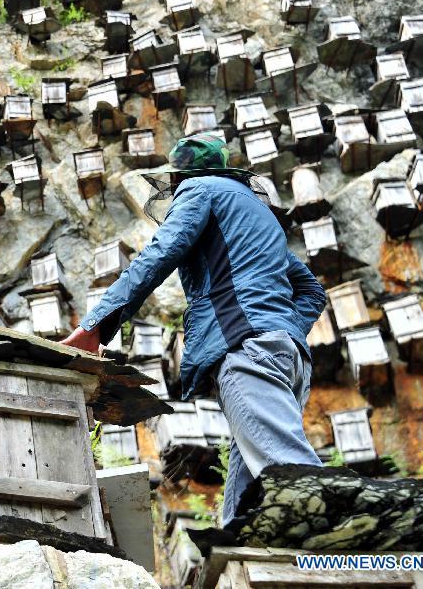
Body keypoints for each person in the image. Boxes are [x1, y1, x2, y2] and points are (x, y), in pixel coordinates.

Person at [60, 133, 326, 525]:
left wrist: (95, 326)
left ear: (183, 175)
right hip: (287, 360)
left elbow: (161, 252)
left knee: (295, 480)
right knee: (244, 511)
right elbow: (312, 291)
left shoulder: (199, 190)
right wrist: (284, 329)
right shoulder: (255, 211)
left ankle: (369, 563)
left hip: (248, 352)